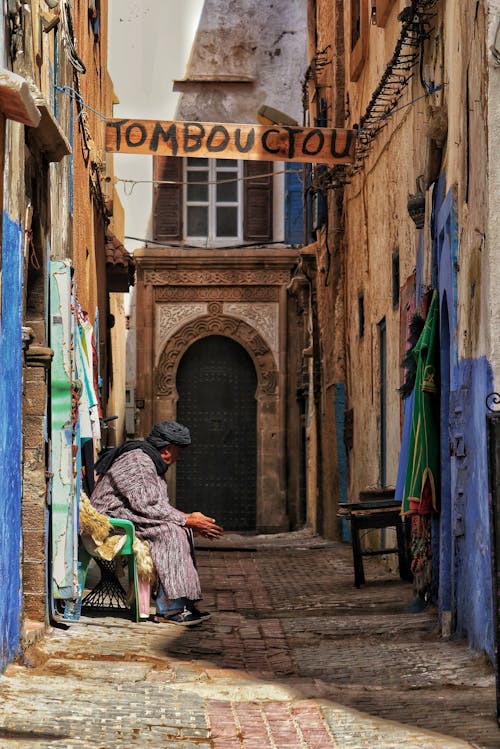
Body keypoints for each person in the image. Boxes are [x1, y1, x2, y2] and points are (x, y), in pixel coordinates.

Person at [90, 420, 223, 626]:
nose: (179, 457)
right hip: (110, 518)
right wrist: (187, 519)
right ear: (168, 450)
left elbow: (156, 505)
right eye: (179, 451)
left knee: (180, 529)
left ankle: (183, 602)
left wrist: (188, 519)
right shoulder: (138, 462)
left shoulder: (151, 462)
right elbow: (147, 504)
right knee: (170, 532)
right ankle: (171, 610)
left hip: (130, 513)